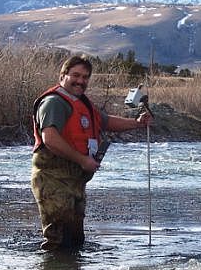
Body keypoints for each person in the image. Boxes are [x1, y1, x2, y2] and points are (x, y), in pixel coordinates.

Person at [31, 55, 153, 250]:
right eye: (76, 75)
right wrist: (82, 159)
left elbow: (105, 122)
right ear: (63, 75)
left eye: (85, 77)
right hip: (53, 180)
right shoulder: (54, 102)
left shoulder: (82, 102)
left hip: (75, 181)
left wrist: (137, 124)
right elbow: (50, 139)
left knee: (74, 241)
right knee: (60, 241)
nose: (80, 81)